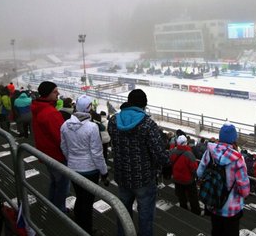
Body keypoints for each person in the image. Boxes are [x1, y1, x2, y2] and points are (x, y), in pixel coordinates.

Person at [107, 89, 169, 236]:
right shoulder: (148, 124)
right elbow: (159, 152)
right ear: (144, 104)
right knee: (145, 216)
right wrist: (166, 164)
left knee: (123, 213)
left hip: (122, 176)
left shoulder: (113, 121)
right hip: (144, 178)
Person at [60, 95, 108, 234]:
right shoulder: (92, 127)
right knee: (87, 201)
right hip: (90, 170)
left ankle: (79, 224)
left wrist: (72, 160)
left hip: (73, 168)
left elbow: (64, 147)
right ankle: (86, 230)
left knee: (80, 197)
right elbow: (97, 153)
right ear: (88, 109)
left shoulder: (65, 125)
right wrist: (104, 172)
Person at [196, 123, 250, 236]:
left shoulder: (209, 152)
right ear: (234, 139)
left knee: (216, 231)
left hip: (213, 204)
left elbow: (199, 173)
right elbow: (244, 191)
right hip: (231, 210)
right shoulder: (238, 159)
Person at [31, 81, 70, 212]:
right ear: (47, 94)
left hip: (45, 152)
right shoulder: (50, 113)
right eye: (55, 91)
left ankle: (52, 204)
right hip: (56, 155)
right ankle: (59, 210)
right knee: (62, 185)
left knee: (55, 181)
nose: (58, 93)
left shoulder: (38, 107)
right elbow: (61, 138)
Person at [170, 135, 201, 215]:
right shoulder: (189, 154)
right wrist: (196, 177)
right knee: (193, 197)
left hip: (177, 179)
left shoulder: (173, 152)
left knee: (181, 196)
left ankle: (183, 210)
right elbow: (194, 168)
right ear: (185, 143)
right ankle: (196, 212)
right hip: (188, 180)